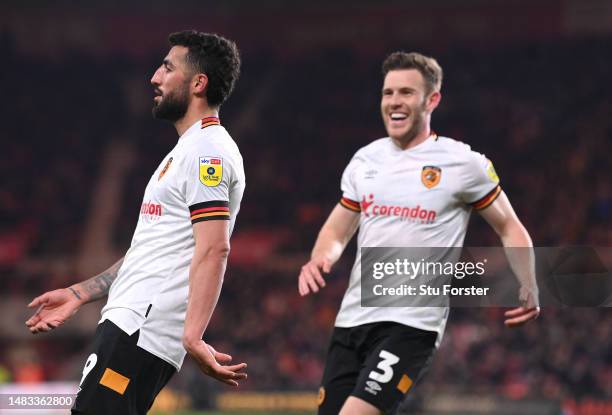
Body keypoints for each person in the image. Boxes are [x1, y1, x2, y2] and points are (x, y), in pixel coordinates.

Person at [298, 51, 540, 415]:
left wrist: (529, 281)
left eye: (406, 92)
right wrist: (321, 257)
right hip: (352, 321)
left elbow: (509, 225)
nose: (394, 101)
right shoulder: (365, 160)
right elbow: (339, 225)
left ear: (432, 100)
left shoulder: (463, 163)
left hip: (412, 324)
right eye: (388, 92)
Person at [25, 30, 247, 415]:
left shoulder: (208, 153)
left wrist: (193, 334)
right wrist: (80, 293)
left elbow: (215, 246)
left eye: (167, 67)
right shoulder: (187, 151)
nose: (155, 78)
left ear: (198, 83)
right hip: (132, 323)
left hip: (142, 328)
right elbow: (152, 250)